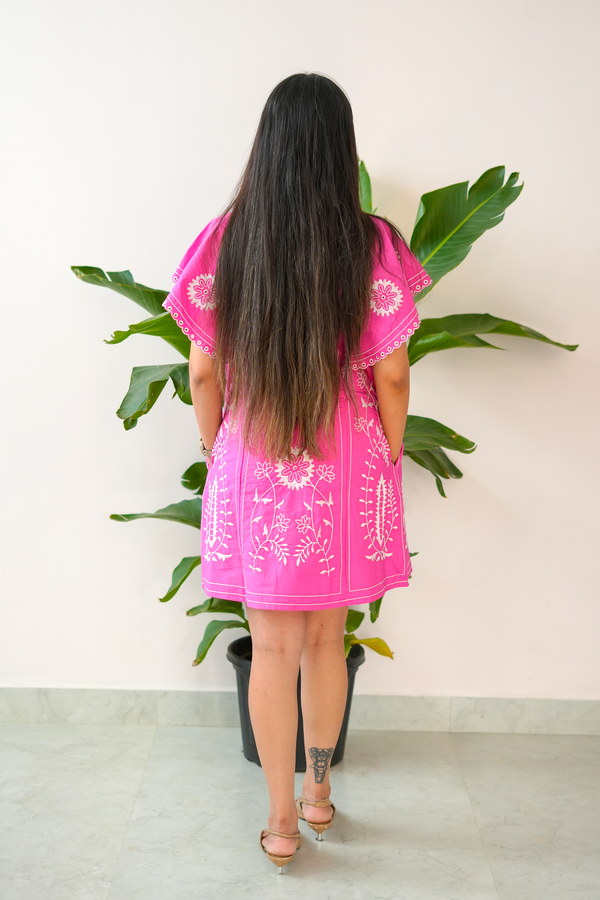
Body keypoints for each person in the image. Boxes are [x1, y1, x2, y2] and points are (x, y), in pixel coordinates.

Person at [163, 72, 430, 873]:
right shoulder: (372, 243)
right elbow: (393, 376)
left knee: (270, 649)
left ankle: (280, 822)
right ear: (339, 150)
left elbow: (203, 374)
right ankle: (319, 795)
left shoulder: (227, 239)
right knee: (327, 639)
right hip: (347, 466)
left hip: (256, 459)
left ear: (267, 143)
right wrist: (386, 449)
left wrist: (219, 451)